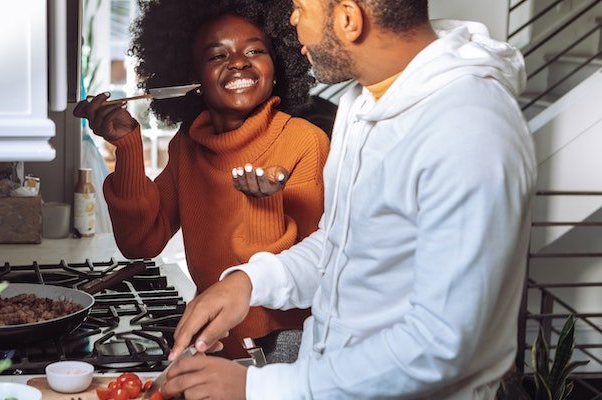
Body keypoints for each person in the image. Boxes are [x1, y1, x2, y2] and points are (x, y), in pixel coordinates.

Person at [163, 0, 537, 399]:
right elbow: (343, 244)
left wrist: (261, 388)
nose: (291, 21)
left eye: (300, 8)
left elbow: (442, 344)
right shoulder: (362, 103)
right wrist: (250, 282)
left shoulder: (468, 128)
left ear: (348, 19)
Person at [73, 0, 330, 360]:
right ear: (191, 79)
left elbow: (316, 269)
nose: (239, 61)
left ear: (278, 65)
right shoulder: (188, 145)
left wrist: (263, 204)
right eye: (217, 55)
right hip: (213, 336)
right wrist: (127, 146)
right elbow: (141, 242)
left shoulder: (304, 141)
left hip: (284, 343)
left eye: (255, 50)